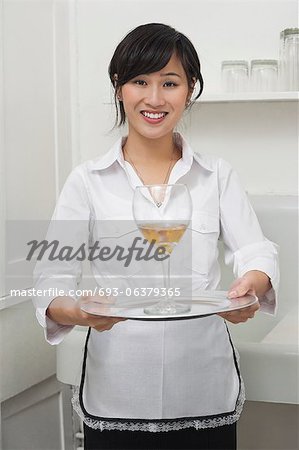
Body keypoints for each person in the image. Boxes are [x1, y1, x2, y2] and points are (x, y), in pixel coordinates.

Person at [33, 23, 279, 450]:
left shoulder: (216, 175)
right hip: (118, 392)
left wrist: (251, 287)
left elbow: (255, 250)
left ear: (190, 89)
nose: (154, 98)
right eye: (139, 81)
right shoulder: (87, 181)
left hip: (204, 387)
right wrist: (79, 312)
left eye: (170, 83)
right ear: (118, 87)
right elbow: (51, 278)